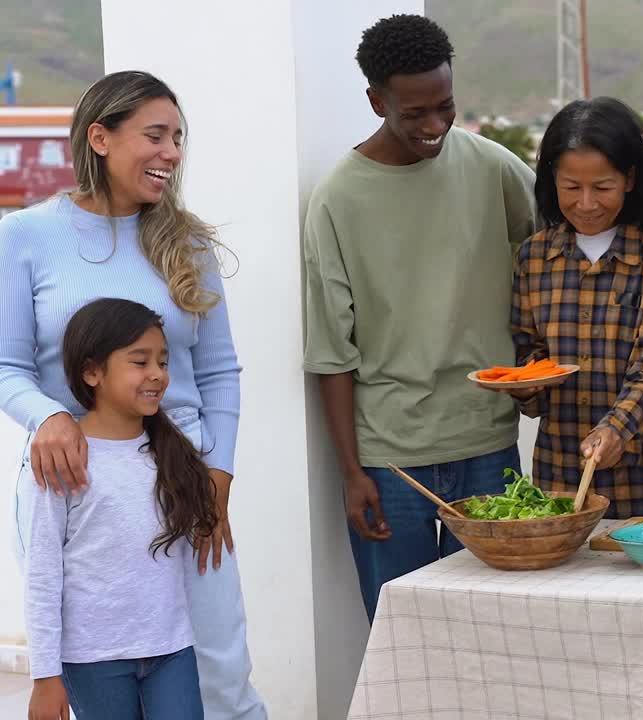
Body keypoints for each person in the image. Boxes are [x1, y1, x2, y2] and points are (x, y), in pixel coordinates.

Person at [0, 70, 266, 718]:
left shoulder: (187, 240)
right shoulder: (25, 236)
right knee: (102, 672)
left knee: (219, 673)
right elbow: (7, 365)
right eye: (155, 135)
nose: (172, 153)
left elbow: (220, 369)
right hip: (78, 485)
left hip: (184, 478)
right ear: (100, 137)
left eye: (178, 138)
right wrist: (52, 418)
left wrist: (218, 475)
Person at [302, 14, 536, 622]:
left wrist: (534, 357)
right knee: (400, 638)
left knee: (490, 633)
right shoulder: (337, 200)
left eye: (445, 106)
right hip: (390, 462)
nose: (434, 126)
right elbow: (331, 352)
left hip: (489, 446)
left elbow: (555, 251)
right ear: (376, 100)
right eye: (414, 114)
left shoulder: (493, 167)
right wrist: (351, 474)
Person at [496, 97, 643, 519]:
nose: (586, 203)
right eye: (571, 187)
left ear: (630, 179)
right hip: (558, 482)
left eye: (602, 187)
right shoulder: (534, 257)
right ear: (552, 181)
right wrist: (527, 385)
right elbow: (526, 348)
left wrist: (616, 429)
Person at [21, 299, 216, 720]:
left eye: (163, 362)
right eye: (140, 361)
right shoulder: (64, 460)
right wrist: (45, 676)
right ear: (92, 372)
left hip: (171, 650)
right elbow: (42, 573)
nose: (158, 375)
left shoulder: (174, 456)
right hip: (93, 658)